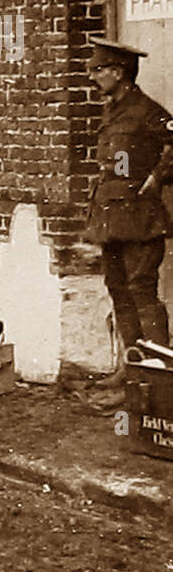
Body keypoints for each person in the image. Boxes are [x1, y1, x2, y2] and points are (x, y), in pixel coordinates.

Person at [83, 36, 173, 406]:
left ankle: (158, 371)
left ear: (118, 73)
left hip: (140, 219)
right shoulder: (112, 109)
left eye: (97, 70)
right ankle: (130, 368)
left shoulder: (147, 110)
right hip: (111, 219)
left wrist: (158, 176)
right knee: (119, 291)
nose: (92, 77)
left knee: (141, 291)